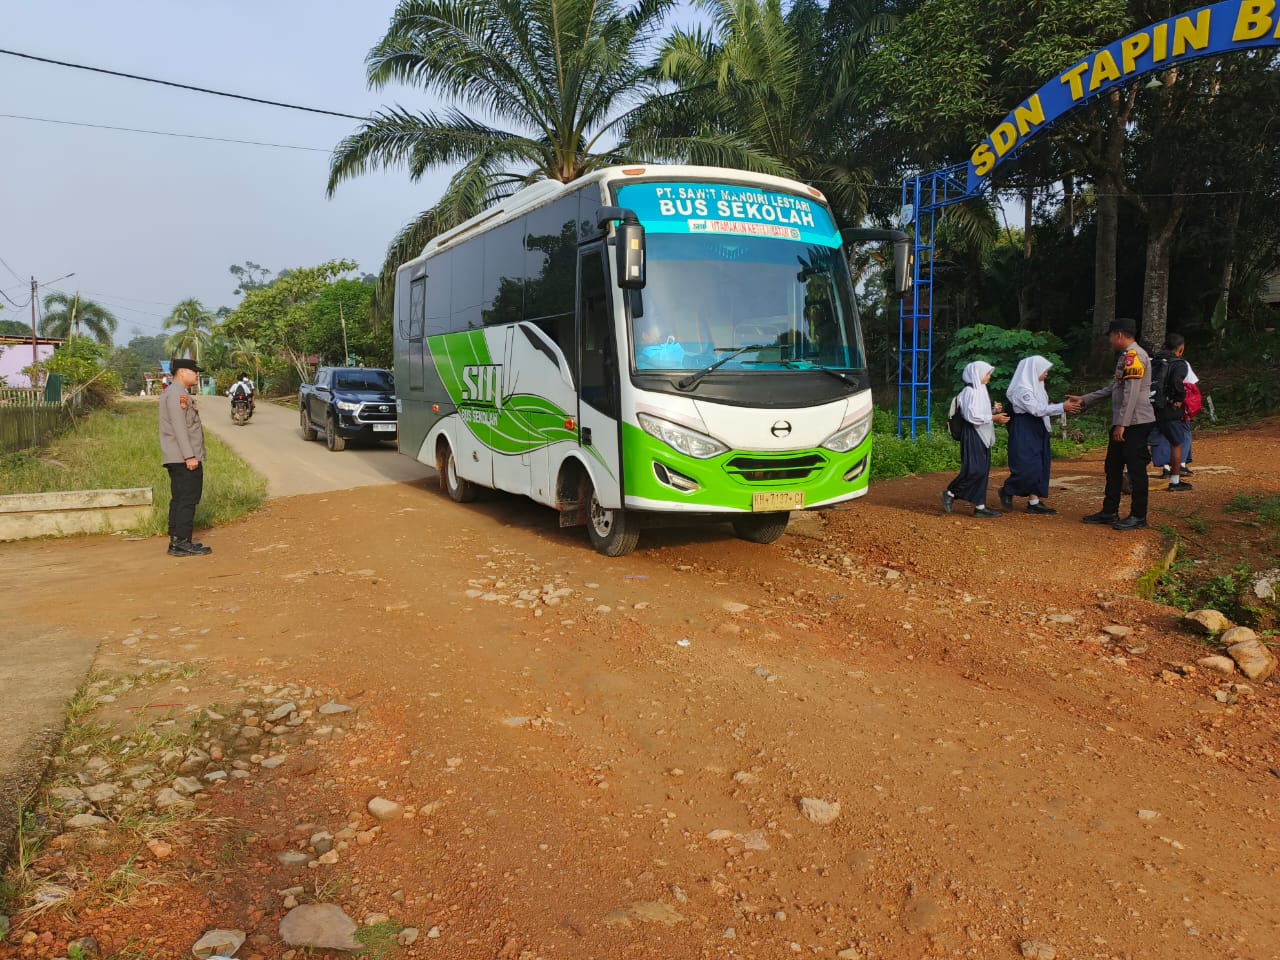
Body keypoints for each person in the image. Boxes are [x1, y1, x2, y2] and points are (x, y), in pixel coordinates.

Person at [1068, 317, 1156, 531]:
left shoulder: (1135, 356)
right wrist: (1086, 399)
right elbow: (1114, 388)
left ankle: (1138, 515)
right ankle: (1109, 511)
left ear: (1118, 335)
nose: (1109, 340)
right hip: (1125, 421)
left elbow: (1131, 393)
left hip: (1135, 422)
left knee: (1136, 469)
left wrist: (1122, 425)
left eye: (1110, 336)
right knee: (1113, 466)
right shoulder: (1126, 356)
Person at [997, 355, 1082, 515]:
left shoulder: (1038, 387)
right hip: (1025, 426)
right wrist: (1061, 407)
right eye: (1044, 370)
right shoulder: (1023, 389)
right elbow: (1036, 409)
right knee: (1028, 465)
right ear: (1033, 370)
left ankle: (1034, 501)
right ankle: (1008, 490)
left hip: (1038, 426)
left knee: (1041, 463)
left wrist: (1053, 407)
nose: (1046, 374)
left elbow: (1042, 407)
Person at [941, 361, 1011, 518]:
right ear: (976, 374)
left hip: (982, 434)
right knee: (975, 470)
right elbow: (971, 416)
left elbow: (980, 412)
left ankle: (980, 506)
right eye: (986, 373)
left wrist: (993, 411)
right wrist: (994, 417)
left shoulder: (981, 390)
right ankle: (950, 493)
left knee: (983, 471)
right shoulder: (970, 392)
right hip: (973, 434)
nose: (989, 377)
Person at [159, 358, 212, 557]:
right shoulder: (177, 395)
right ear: (182, 372)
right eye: (194, 371)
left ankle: (177, 540)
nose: (197, 375)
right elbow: (180, 428)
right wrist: (190, 456)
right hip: (183, 457)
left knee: (180, 497)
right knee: (187, 499)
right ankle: (182, 541)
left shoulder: (176, 393)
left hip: (177, 456)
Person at [1147, 333, 1192, 491]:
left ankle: (1132, 476)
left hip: (1149, 406)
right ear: (1180, 349)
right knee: (1176, 443)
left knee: (1146, 442)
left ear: (1164, 346)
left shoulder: (1152, 361)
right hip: (1168, 409)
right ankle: (1175, 481)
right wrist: (1179, 398)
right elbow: (1176, 383)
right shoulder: (1179, 364)